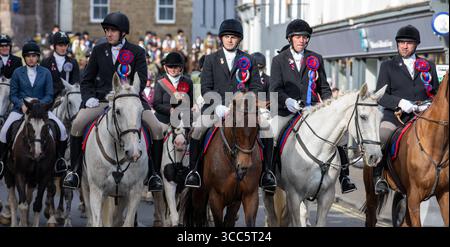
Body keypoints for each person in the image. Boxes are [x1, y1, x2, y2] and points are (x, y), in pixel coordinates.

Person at [62, 12, 164, 192]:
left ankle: (153, 175)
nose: (108, 34)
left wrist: (129, 96)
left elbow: (141, 79)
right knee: (77, 124)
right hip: (102, 100)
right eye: (107, 30)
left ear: (123, 33)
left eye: (113, 31)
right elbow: (87, 80)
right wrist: (89, 98)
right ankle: (75, 171)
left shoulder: (137, 52)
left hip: (130, 101)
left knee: (156, 129)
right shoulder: (98, 50)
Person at [270, 19, 356, 194]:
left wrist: (330, 108)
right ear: (290, 39)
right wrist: (288, 101)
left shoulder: (315, 58)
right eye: (298, 37)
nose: (302, 40)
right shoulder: (279, 60)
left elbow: (323, 88)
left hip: (314, 111)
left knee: (339, 135)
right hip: (288, 110)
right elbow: (274, 88)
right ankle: (269, 174)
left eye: (305, 37)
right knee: (271, 133)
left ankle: (344, 177)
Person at [184, 19, 268, 189]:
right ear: (221, 38)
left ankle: (267, 173)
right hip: (216, 108)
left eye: (234, 37)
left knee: (267, 129)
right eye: (227, 36)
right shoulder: (210, 59)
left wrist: (246, 104)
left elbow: (256, 87)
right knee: (198, 129)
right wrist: (219, 106)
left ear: (239, 40)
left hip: (243, 111)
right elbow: (206, 88)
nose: (230, 40)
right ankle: (194, 172)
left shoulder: (248, 59)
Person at [374, 25, 439, 195]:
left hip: (424, 117)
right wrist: (401, 102)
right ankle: (378, 176)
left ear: (416, 44)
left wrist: (428, 104)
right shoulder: (388, 65)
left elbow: (437, 94)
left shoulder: (428, 66)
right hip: (396, 116)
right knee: (382, 136)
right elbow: (380, 96)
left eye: (409, 43)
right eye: (401, 42)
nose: (404, 46)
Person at [0, 42, 68, 179]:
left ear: (38, 57)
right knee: (3, 132)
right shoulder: (17, 72)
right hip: (21, 109)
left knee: (62, 130)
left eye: (34, 56)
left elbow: (49, 94)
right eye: (28, 56)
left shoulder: (46, 72)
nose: (31, 58)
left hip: (41, 110)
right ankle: (1, 161)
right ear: (24, 58)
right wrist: (21, 105)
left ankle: (59, 161)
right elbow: (13, 94)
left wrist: (39, 106)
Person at [153, 51, 193, 132]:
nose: (173, 70)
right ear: (165, 67)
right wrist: (170, 110)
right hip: (164, 120)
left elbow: (190, 103)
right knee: (157, 135)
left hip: (182, 120)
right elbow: (156, 105)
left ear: (181, 67)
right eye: (170, 67)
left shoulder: (188, 82)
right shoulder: (160, 82)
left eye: (176, 67)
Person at [41, 31, 81, 101]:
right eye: (60, 45)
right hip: (49, 100)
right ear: (54, 45)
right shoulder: (45, 62)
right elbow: (43, 84)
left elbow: (75, 83)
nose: (63, 48)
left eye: (65, 45)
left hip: (68, 99)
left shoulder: (73, 62)